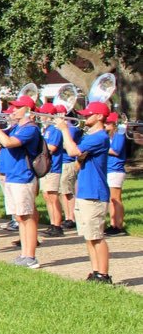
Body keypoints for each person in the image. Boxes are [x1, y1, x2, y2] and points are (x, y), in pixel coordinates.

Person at [57, 102, 114, 282]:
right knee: (89, 236)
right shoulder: (90, 137)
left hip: (94, 192)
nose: (84, 117)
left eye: (88, 115)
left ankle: (104, 275)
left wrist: (64, 130)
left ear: (99, 117)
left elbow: (73, 150)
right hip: (85, 191)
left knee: (97, 236)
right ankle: (95, 271)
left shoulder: (99, 137)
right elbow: (78, 157)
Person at [0, 95, 41, 267]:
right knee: (19, 217)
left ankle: (31, 256)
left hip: (23, 176)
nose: (13, 110)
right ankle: (24, 253)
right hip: (12, 176)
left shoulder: (30, 129)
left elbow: (9, 143)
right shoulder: (16, 127)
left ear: (28, 110)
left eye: (18, 107)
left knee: (27, 216)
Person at [38, 103, 71, 237]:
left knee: (53, 196)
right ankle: (52, 223)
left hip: (53, 167)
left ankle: (57, 225)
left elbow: (52, 147)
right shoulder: (46, 129)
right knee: (47, 196)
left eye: (42, 114)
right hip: (46, 168)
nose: (40, 116)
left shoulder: (55, 129)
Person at [104, 113, 129, 236]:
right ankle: (113, 224)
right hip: (109, 169)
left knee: (116, 199)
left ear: (114, 124)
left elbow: (116, 150)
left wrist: (100, 147)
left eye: (108, 123)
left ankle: (118, 225)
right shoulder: (109, 136)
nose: (105, 124)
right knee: (111, 199)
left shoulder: (119, 134)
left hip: (115, 170)